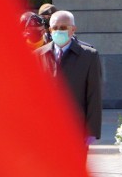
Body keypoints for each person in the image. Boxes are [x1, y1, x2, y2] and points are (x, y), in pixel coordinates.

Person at [35, 10, 102, 145]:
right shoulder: (38, 55)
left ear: (73, 30)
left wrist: (91, 131)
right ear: (49, 30)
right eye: (55, 28)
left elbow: (94, 95)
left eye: (63, 28)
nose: (59, 31)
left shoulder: (88, 56)